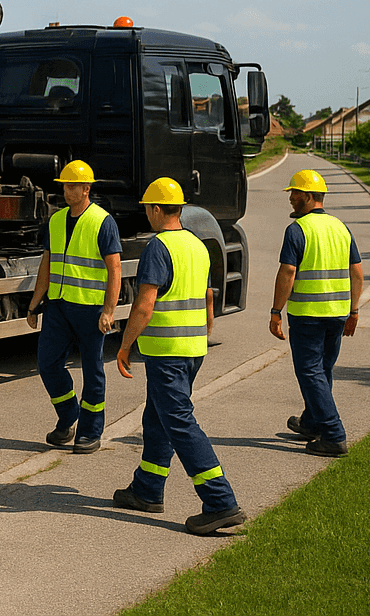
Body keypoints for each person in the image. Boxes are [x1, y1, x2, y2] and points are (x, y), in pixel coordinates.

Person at [112, 177, 244, 535]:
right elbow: (207, 296)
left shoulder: (158, 247)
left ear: (156, 210)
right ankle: (147, 489)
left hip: (166, 351)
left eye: (147, 209)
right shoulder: (197, 245)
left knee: (180, 423)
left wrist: (124, 346)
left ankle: (220, 502)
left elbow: (145, 304)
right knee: (157, 418)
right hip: (192, 349)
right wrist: (206, 329)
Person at [25, 160, 122, 454]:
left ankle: (90, 432)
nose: (66, 191)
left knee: (93, 371)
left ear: (86, 189)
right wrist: (33, 304)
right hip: (58, 306)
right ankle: (68, 416)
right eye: (64, 186)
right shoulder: (55, 221)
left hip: (90, 310)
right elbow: (47, 263)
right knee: (47, 363)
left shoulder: (102, 222)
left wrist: (108, 311)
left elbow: (115, 269)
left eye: (72, 186)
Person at [270, 168, 363, 457]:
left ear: (308, 196)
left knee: (310, 371)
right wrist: (354, 311)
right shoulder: (341, 227)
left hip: (308, 314)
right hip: (337, 314)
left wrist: (275, 311)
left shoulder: (298, 230)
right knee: (322, 370)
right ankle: (312, 422)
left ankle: (333, 435)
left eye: (294, 193)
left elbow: (287, 271)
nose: (291, 199)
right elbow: (357, 272)